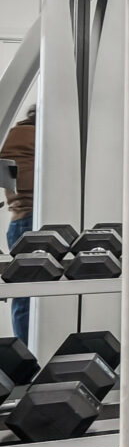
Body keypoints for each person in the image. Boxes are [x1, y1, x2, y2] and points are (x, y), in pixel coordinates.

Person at [3, 110, 31, 342]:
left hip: (20, 220)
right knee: (27, 293)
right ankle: (26, 350)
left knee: (25, 293)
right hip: (30, 219)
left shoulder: (14, 136)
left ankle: (27, 352)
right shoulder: (31, 136)